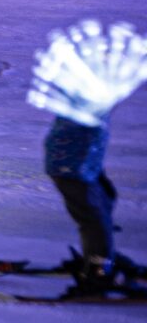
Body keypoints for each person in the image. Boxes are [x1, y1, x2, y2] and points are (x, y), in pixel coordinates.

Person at [45, 113, 145, 297]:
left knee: (106, 200)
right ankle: (98, 274)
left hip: (85, 163)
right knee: (94, 219)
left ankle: (104, 257)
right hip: (71, 167)